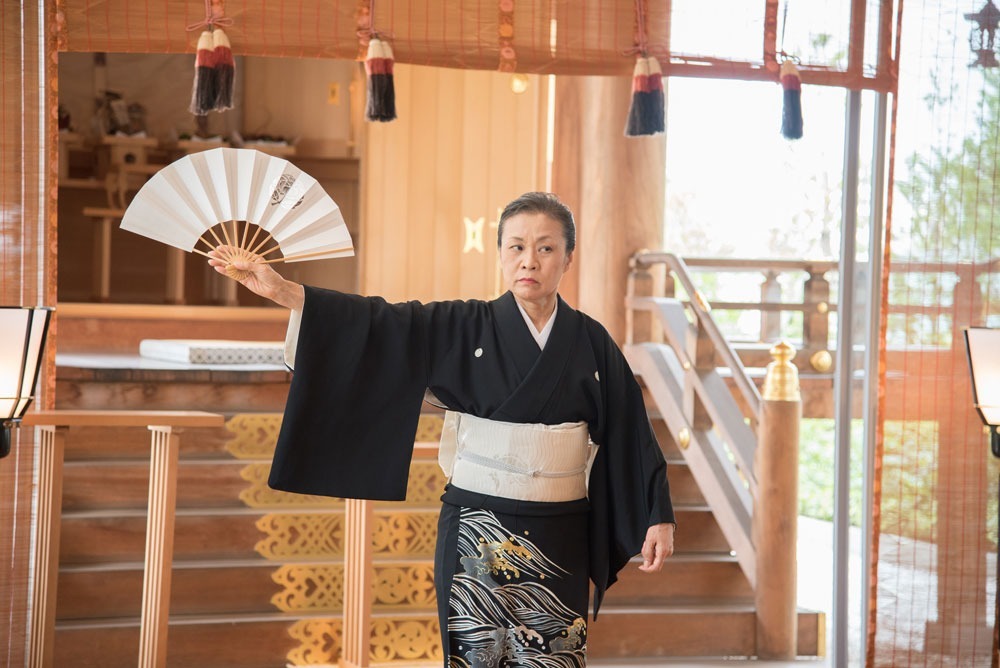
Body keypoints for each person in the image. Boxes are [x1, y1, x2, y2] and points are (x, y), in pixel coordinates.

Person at [208, 191, 675, 667]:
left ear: (568, 257)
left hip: (561, 531)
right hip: (476, 523)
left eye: (546, 247)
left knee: (554, 655)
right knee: (474, 657)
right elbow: (380, 323)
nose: (528, 260)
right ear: (498, 255)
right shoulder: (461, 324)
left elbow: (630, 428)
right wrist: (285, 292)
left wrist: (656, 513)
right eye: (515, 247)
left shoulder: (590, 340)